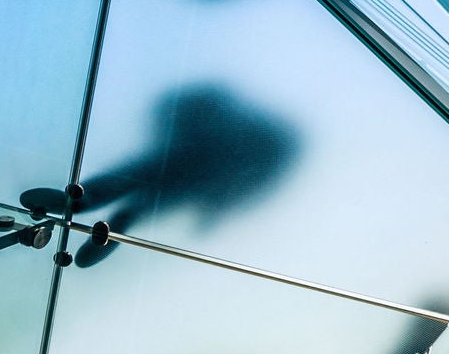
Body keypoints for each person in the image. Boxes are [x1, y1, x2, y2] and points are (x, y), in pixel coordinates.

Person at [21, 85, 299, 266]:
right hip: (192, 176)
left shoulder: (243, 124)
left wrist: (218, 207)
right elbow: (248, 189)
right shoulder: (262, 146)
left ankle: (88, 205)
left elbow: (180, 103)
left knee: (129, 181)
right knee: (137, 203)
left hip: (181, 160)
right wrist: (217, 210)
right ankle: (109, 223)